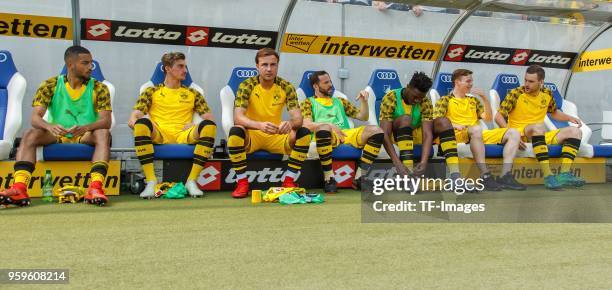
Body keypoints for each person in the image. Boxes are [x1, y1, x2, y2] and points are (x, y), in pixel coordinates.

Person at [0, 45, 112, 207]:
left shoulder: (99, 87)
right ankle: (19, 188)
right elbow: (35, 118)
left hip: (85, 135)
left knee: (103, 133)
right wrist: (49, 126)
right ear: (70, 65)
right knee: (30, 134)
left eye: (91, 63)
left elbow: (105, 121)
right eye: (85, 63)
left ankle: (95, 188)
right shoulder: (50, 85)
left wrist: (85, 127)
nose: (90, 67)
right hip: (57, 134)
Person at [128, 52, 216, 198]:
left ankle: (191, 180)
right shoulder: (151, 91)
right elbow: (133, 117)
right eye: (180, 66)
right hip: (159, 134)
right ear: (167, 68)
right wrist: (141, 122)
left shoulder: (193, 93)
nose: (185, 71)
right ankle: (151, 181)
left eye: (185, 67)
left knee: (208, 127)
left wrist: (196, 124)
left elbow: (210, 119)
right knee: (142, 123)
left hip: (184, 134)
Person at [227, 48, 311, 198]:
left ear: (277, 66)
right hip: (253, 136)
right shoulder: (247, 85)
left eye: (273, 65)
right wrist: (259, 125)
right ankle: (242, 182)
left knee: (303, 132)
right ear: (257, 67)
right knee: (236, 131)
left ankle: (289, 180)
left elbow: (298, 118)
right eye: (264, 65)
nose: (269, 69)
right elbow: (238, 118)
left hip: (276, 136)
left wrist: (290, 124)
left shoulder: (286, 86)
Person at [495, 65, 585, 190]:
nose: (526, 84)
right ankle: (548, 176)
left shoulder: (547, 93)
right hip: (521, 135)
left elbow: (554, 113)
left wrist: (569, 118)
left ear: (541, 82)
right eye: (525, 80)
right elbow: (498, 116)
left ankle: (564, 174)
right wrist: (510, 133)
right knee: (538, 127)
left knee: (575, 132)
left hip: (540, 135)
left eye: (531, 81)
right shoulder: (515, 93)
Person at [434, 69, 525, 191]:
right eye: (468, 81)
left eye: (471, 81)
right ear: (457, 82)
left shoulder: (473, 100)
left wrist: (484, 98)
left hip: (475, 133)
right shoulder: (445, 100)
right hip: (457, 134)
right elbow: (437, 120)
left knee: (514, 132)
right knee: (476, 129)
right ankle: (485, 175)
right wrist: (455, 124)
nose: (471, 84)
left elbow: (487, 118)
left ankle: (505, 175)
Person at [301, 71, 384, 193]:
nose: (331, 85)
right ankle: (329, 179)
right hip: (326, 135)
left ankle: (360, 178)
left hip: (345, 134)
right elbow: (307, 124)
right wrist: (329, 125)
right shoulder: (308, 102)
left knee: (377, 131)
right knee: (324, 130)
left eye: (330, 81)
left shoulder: (340, 101)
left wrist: (364, 101)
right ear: (315, 86)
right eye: (326, 82)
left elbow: (363, 116)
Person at [379, 72, 461, 183]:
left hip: (417, 137)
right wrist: (397, 163)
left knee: (444, 121)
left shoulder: (425, 101)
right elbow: (384, 133)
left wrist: (423, 162)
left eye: (420, 98)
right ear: (408, 87)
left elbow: (427, 134)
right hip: (397, 138)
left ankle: (455, 176)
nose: (417, 100)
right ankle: (407, 176)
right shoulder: (390, 98)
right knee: (406, 119)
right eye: (415, 96)